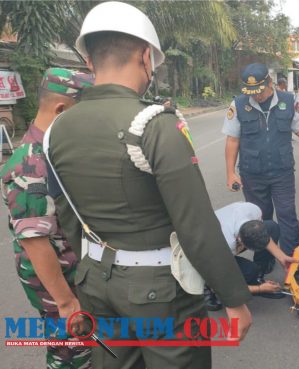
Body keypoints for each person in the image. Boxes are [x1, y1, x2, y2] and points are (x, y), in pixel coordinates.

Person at [45, 2, 252, 368]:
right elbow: (196, 225)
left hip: (95, 283)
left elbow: (69, 217)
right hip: (160, 291)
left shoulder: (56, 130)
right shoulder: (155, 125)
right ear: (146, 57)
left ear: (89, 61)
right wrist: (234, 298)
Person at [1, 68, 93, 369]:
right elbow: (35, 242)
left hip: (73, 276)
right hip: (59, 288)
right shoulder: (31, 163)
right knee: (70, 356)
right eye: (85, 113)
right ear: (61, 109)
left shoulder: (53, 150)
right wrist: (66, 303)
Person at [223, 63, 299, 256]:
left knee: (287, 215)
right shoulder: (238, 105)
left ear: (270, 83)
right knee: (259, 219)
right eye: (252, 92)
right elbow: (232, 140)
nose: (256, 96)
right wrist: (231, 173)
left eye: (260, 91)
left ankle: (293, 260)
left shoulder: (288, 101)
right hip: (252, 173)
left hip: (282, 172)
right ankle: (264, 262)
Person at [205, 202, 299, 310]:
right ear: (240, 241)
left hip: (227, 238)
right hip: (203, 254)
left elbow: (263, 236)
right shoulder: (224, 243)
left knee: (272, 227)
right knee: (247, 271)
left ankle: (257, 278)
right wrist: (259, 289)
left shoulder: (254, 210)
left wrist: (281, 256)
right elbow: (226, 286)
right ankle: (204, 287)